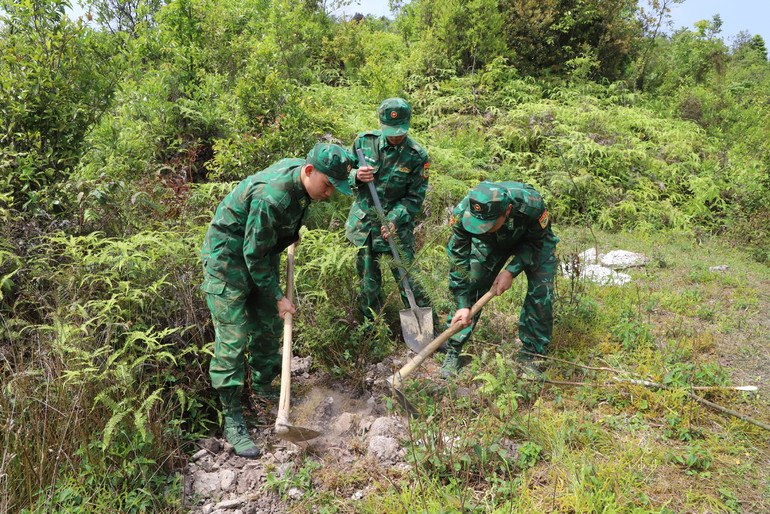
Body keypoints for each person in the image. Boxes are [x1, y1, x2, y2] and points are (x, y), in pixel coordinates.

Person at [200, 143, 354, 458]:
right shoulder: (272, 197)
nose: (329, 194)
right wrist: (278, 297)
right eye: (327, 186)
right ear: (309, 171)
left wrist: (287, 234)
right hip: (227, 259)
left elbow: (266, 238)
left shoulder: (303, 175)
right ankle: (233, 418)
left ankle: (264, 395)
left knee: (268, 326)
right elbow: (252, 254)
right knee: (234, 336)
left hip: (259, 251)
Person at [440, 180, 559, 379]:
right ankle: (454, 349)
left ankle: (532, 355)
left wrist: (511, 270)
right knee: (473, 283)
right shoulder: (463, 214)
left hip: (533, 242)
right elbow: (458, 261)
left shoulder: (531, 203)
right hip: (492, 243)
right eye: (477, 225)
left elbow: (539, 242)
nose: (480, 229)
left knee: (541, 292)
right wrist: (462, 303)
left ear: (508, 210)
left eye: (486, 224)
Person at [346, 98, 437, 333]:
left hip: (397, 226)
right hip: (365, 224)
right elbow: (342, 173)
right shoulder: (364, 142)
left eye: (400, 132)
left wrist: (395, 219)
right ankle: (372, 332)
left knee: (410, 278)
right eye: (391, 132)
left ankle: (431, 332)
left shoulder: (417, 156)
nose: (396, 137)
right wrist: (356, 175)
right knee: (368, 282)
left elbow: (414, 198)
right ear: (380, 123)